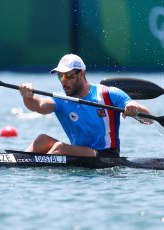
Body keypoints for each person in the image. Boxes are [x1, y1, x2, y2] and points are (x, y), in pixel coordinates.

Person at [19, 54, 152, 157]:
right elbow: (38, 105)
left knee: (60, 148)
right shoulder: (61, 99)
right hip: (79, 153)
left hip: (105, 155)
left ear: (82, 74)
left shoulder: (108, 94)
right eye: (60, 76)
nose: (63, 81)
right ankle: (16, 163)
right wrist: (27, 96)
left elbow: (149, 118)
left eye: (68, 75)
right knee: (41, 140)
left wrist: (134, 108)